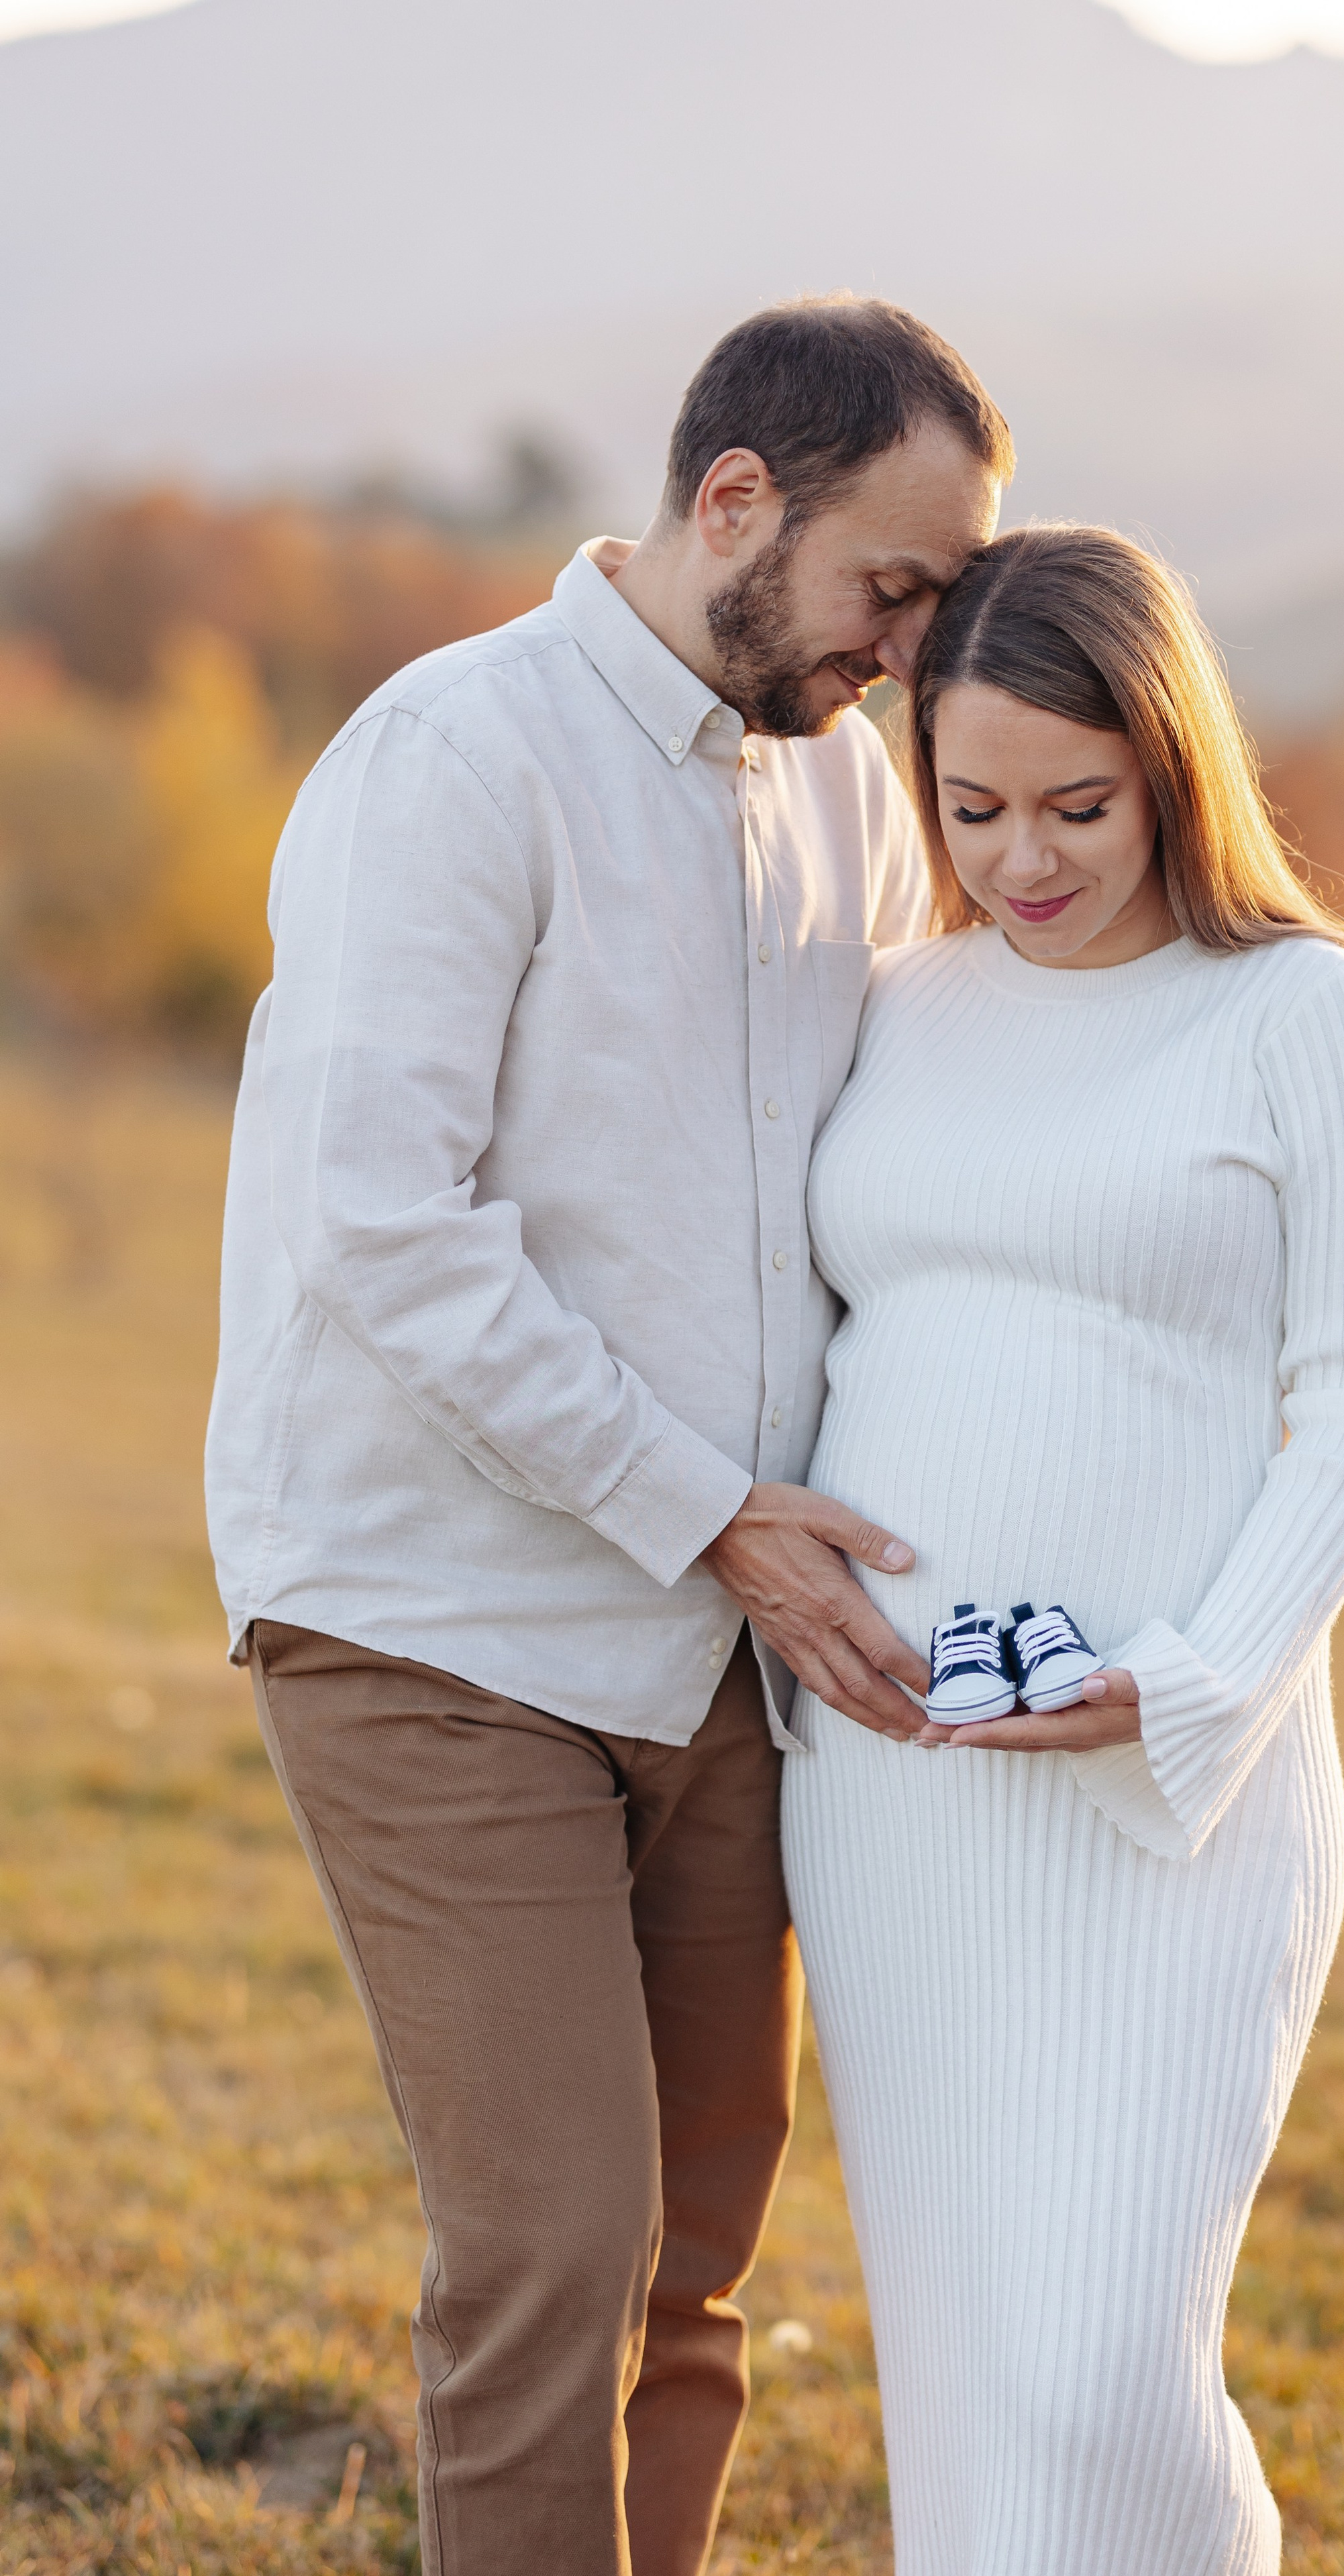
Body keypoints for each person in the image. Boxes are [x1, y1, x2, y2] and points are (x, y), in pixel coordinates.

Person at [203, 297, 1011, 2576]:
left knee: (695, 2256)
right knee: (556, 2244)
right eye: (893, 583)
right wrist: (716, 1516)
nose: (914, 641)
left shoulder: (844, 781)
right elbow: (386, 1225)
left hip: (717, 1654)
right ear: (734, 503)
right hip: (433, 1608)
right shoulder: (453, 756)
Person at [781, 523, 1344, 2576]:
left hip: (1177, 1797)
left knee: (1101, 2376)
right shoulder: (894, 1003)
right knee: (974, 2379)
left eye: (1080, 805)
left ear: (1174, 763)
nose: (1025, 860)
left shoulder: (1307, 1014)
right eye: (972, 808)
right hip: (900, 1793)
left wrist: (1198, 1680)